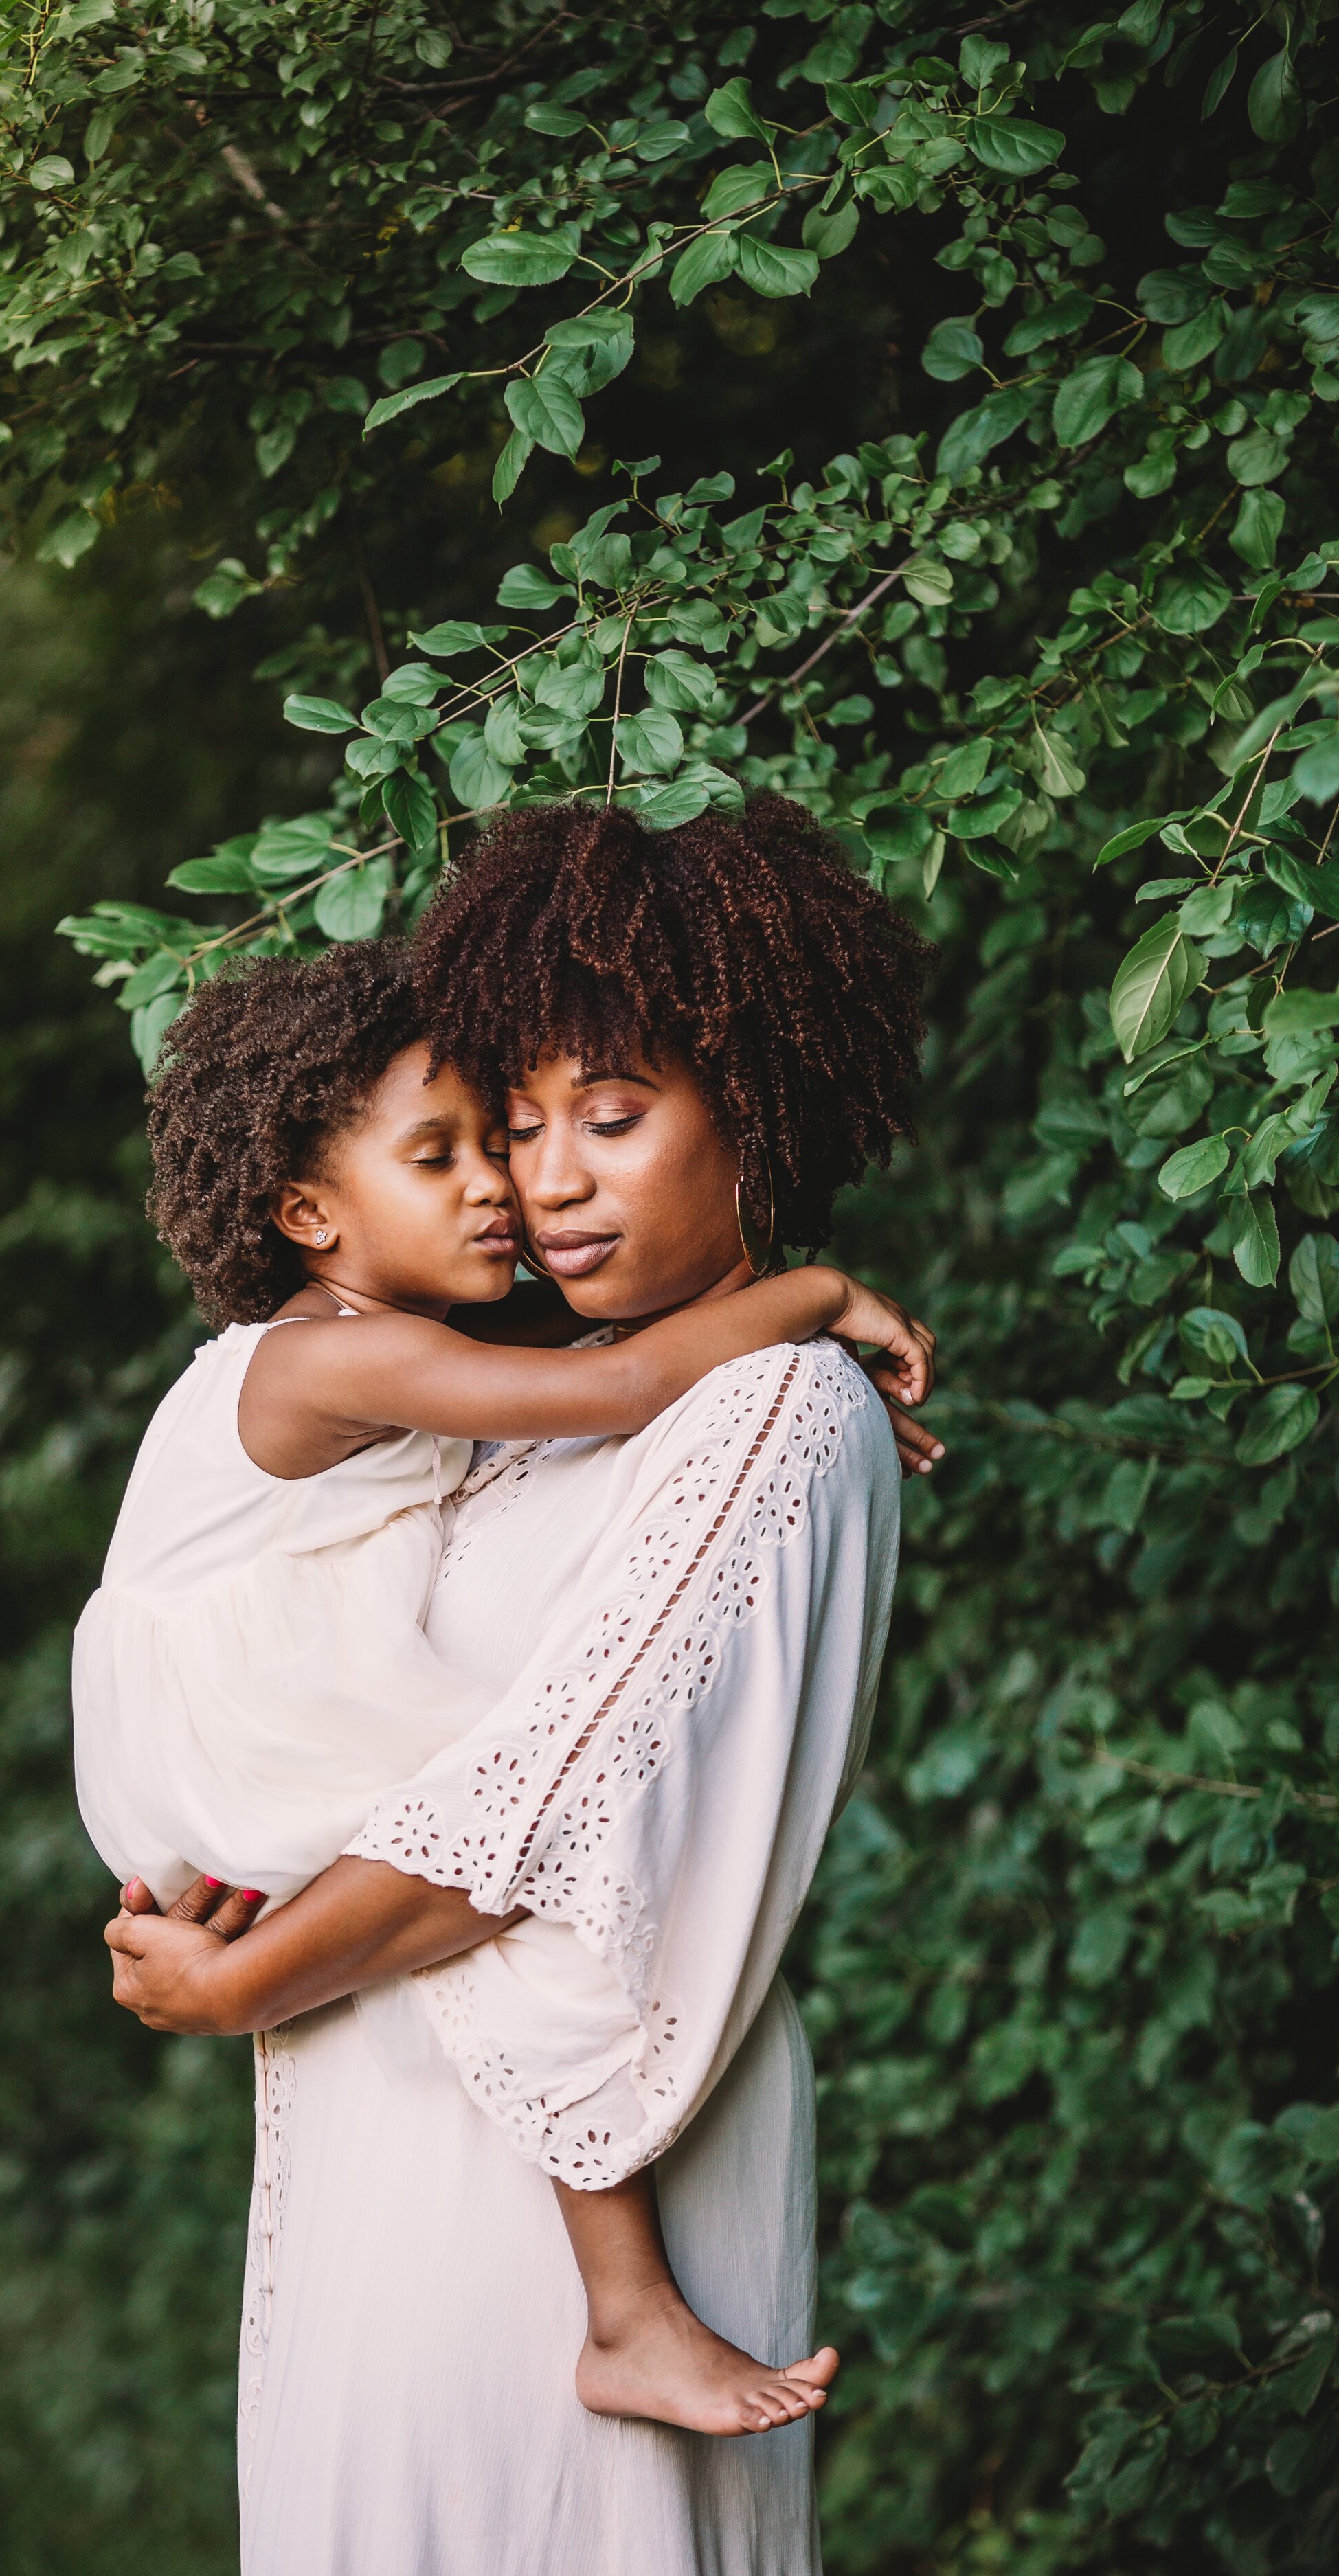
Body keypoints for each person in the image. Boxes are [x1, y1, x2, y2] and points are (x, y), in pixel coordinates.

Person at [106, 795, 938, 2576]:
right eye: (512, 1127)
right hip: (377, 2168)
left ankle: (630, 2312)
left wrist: (244, 1973)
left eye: (609, 1122)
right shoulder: (507, 1406)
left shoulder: (768, 1407)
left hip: (544, 2197)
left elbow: (534, 1819)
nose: (540, 1181)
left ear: (754, 1113)